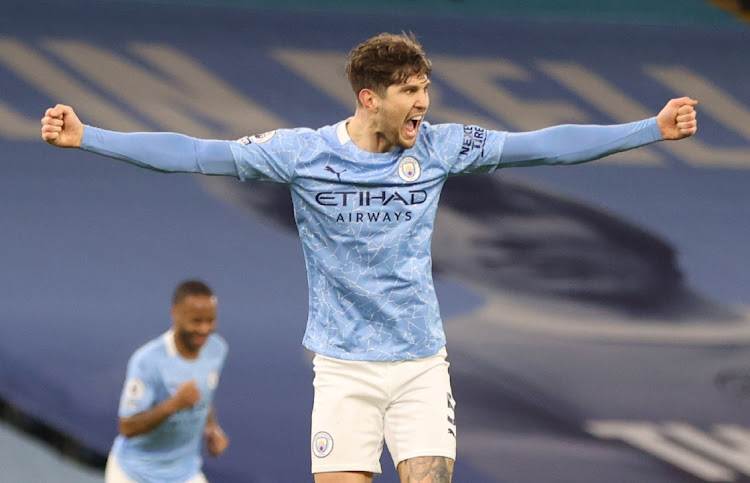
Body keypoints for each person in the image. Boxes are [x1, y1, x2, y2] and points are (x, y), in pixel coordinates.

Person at [41, 32, 697, 483]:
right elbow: (193, 151)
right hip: (344, 370)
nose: (424, 103)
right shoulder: (300, 154)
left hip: (419, 366)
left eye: (425, 89)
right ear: (369, 97)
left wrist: (650, 128)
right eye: (410, 91)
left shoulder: (440, 147)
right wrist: (89, 136)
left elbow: (545, 145)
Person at [103, 279, 229, 483]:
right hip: (134, 474)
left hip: (184, 474)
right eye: (196, 321)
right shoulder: (147, 361)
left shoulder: (217, 350)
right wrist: (174, 404)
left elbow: (205, 394)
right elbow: (127, 427)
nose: (204, 329)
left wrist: (212, 429)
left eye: (210, 320)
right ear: (175, 314)